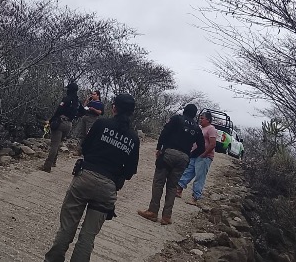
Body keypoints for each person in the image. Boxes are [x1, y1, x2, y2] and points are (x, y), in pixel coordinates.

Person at [44, 93, 140, 262]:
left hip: (85, 178)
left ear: (114, 108)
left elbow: (85, 147)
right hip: (108, 188)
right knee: (88, 237)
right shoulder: (133, 138)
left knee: (67, 228)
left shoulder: (101, 124)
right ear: (132, 112)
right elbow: (131, 171)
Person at [137, 103, 205, 225]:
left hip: (169, 153)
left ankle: (153, 211)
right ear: (195, 115)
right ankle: (166, 217)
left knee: (158, 183)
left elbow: (164, 133)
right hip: (183, 158)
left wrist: (159, 148)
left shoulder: (176, 119)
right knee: (173, 187)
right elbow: (202, 147)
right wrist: (190, 155)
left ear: (184, 111)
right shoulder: (197, 128)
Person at [176, 110, 217, 205]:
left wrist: (204, 153)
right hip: (195, 154)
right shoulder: (199, 128)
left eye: (202, 118)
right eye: (200, 118)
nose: (200, 120)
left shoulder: (211, 129)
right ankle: (178, 189)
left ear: (208, 120)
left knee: (200, 176)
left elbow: (213, 144)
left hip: (205, 156)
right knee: (188, 172)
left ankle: (196, 197)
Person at [42, 83, 83, 172]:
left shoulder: (67, 99)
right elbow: (82, 112)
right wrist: (74, 116)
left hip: (60, 122)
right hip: (69, 124)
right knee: (58, 143)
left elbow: (58, 111)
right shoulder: (77, 102)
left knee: (54, 145)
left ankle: (47, 166)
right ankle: (54, 162)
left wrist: (50, 120)